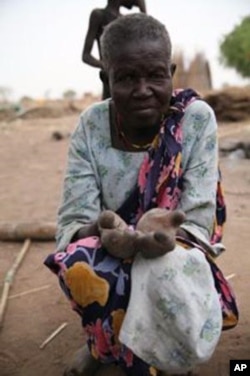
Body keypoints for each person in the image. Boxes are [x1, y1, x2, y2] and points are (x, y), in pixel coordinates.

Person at [45, 13, 238, 376]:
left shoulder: (195, 119)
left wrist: (162, 232)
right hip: (111, 239)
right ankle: (104, 346)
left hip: (174, 242)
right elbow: (73, 219)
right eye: (127, 78)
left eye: (155, 75)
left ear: (172, 72)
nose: (142, 89)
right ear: (106, 78)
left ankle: (168, 350)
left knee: (165, 268)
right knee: (78, 263)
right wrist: (106, 231)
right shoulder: (91, 124)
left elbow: (198, 218)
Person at [82, 0, 146, 99]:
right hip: (111, 83)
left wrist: (143, 10)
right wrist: (109, 67)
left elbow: (146, 42)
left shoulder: (125, 21)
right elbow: (86, 56)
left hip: (130, 81)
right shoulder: (99, 15)